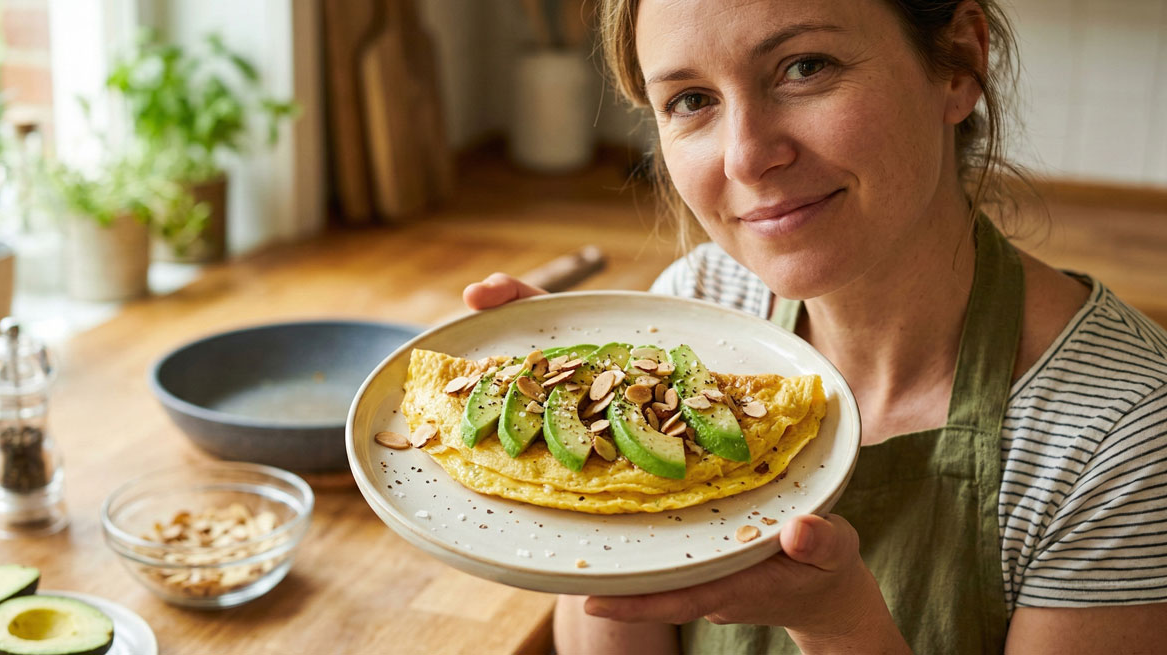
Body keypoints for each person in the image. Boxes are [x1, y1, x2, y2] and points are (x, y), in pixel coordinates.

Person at [463, 0, 1167, 652]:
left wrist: (839, 623)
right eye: (692, 101)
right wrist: (581, 470)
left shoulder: (1125, 435)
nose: (745, 155)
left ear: (957, 62)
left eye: (805, 68)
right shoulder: (701, 306)